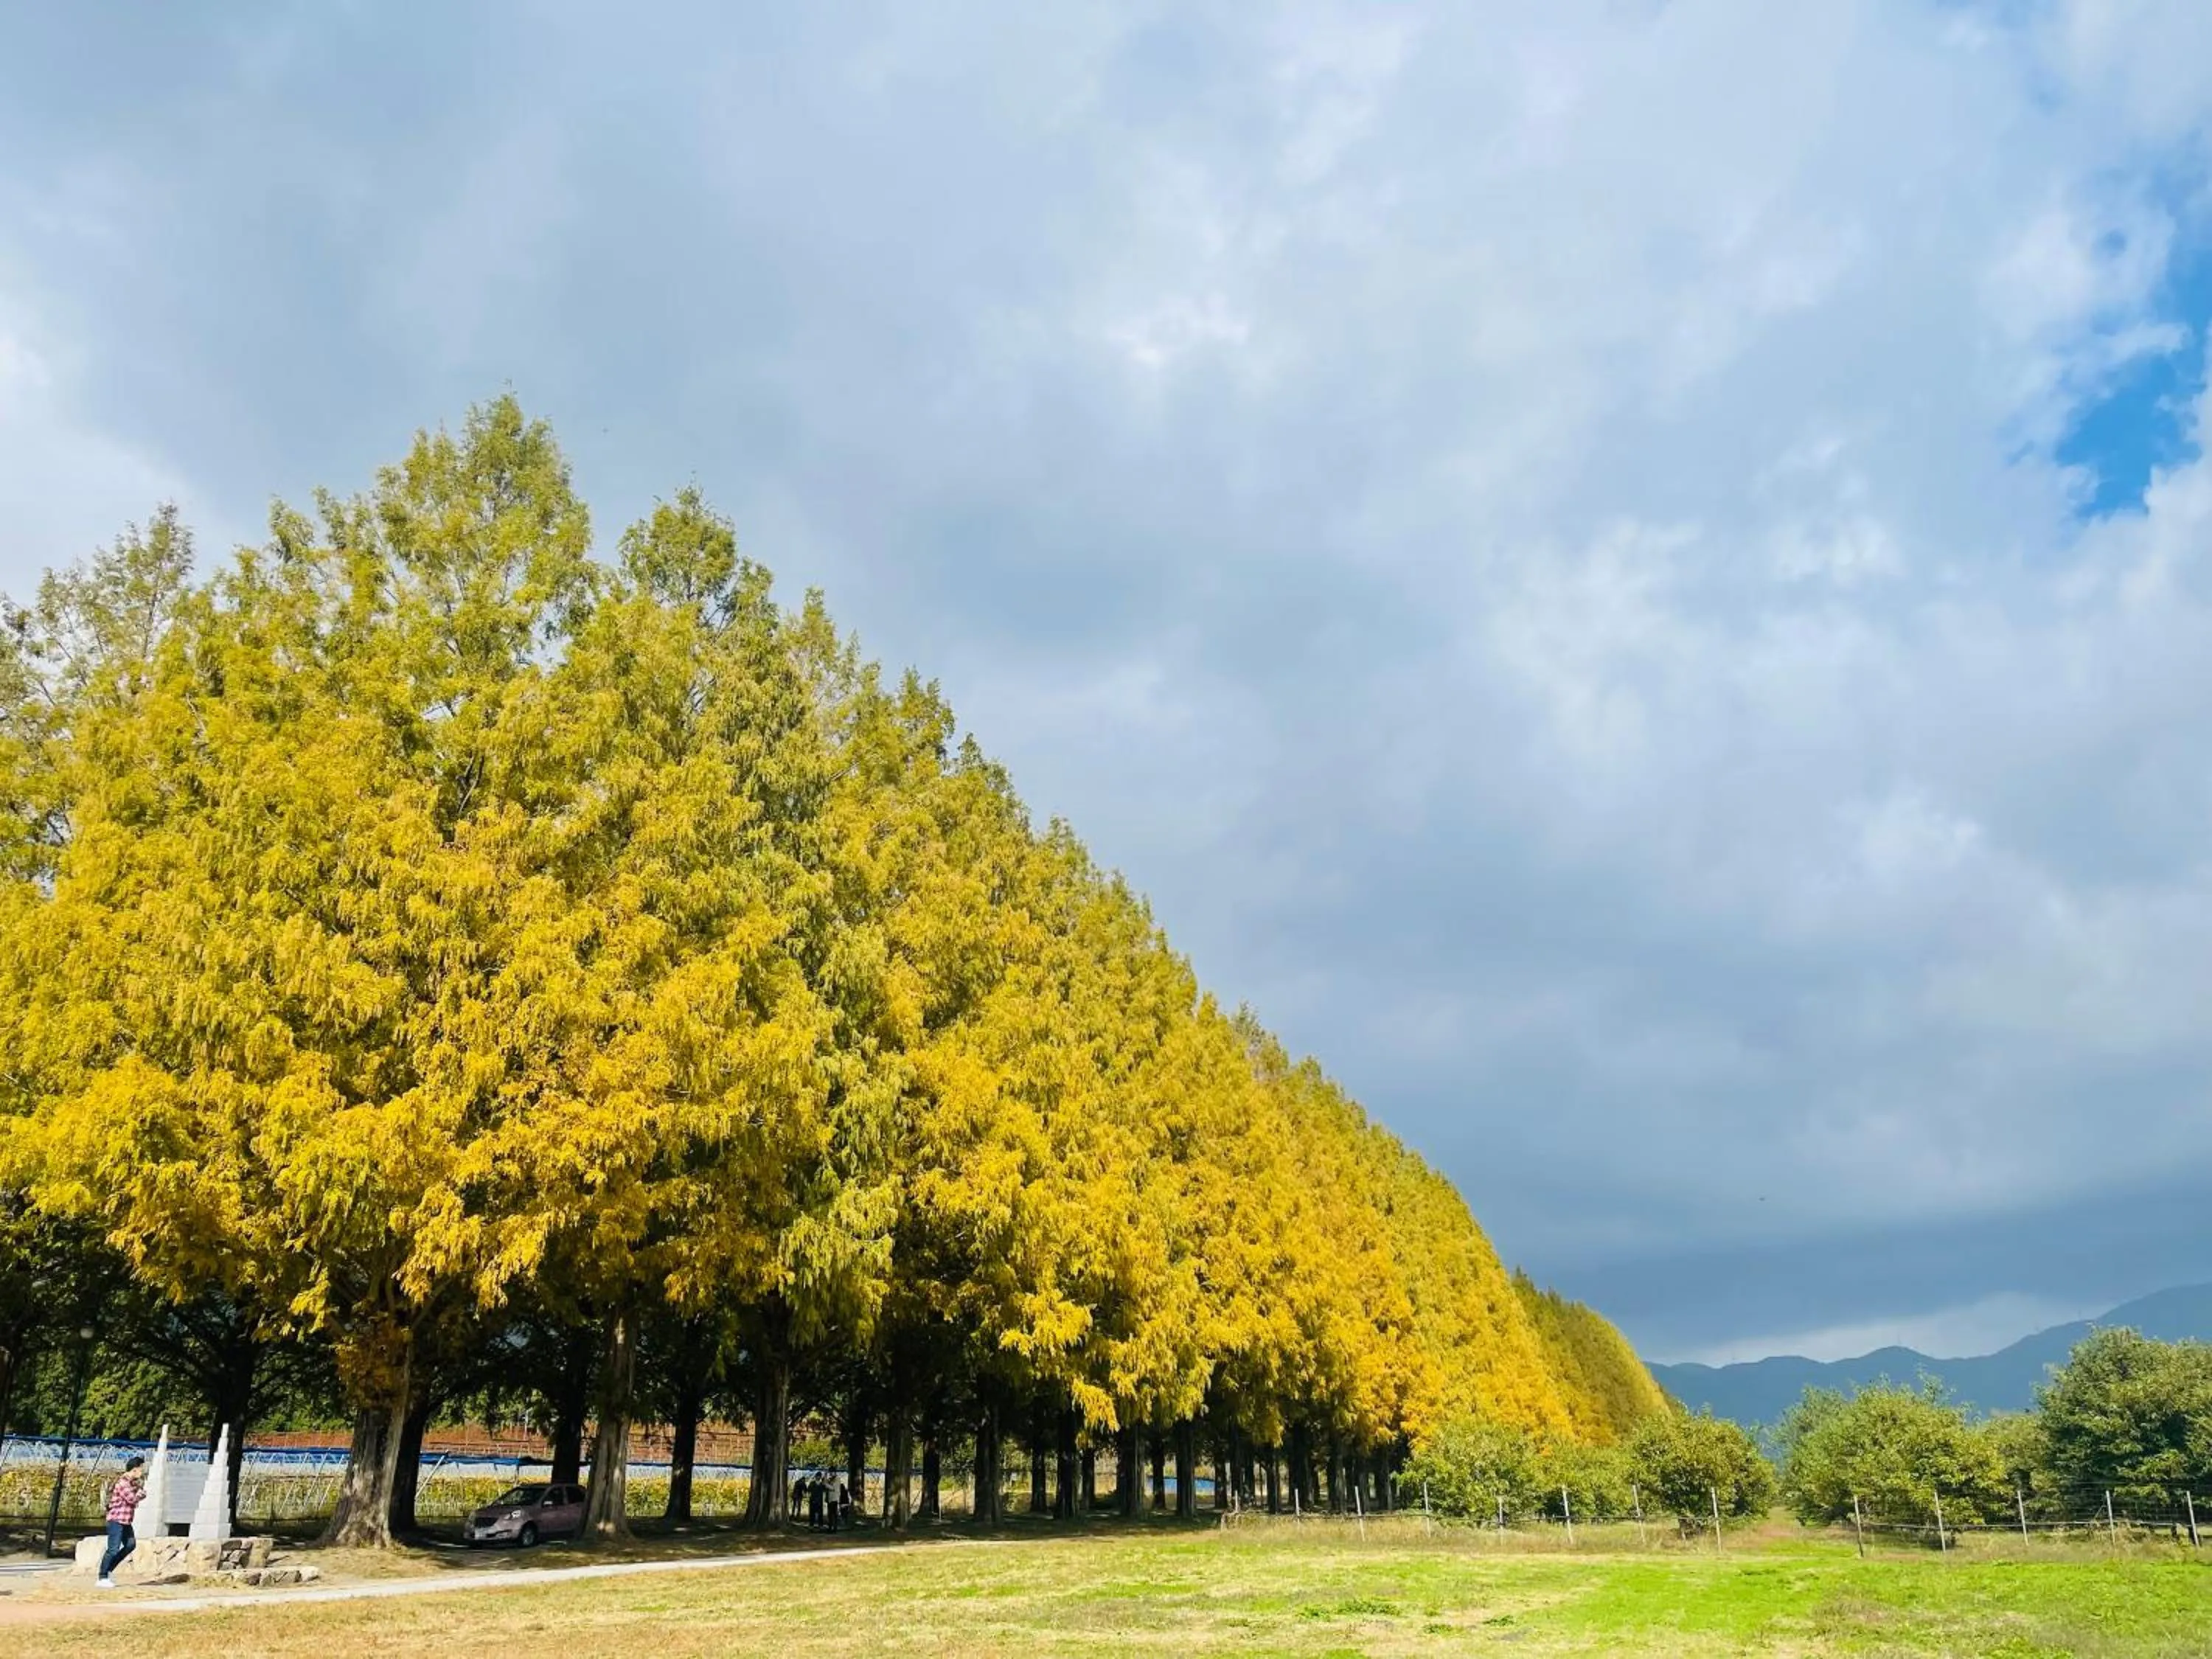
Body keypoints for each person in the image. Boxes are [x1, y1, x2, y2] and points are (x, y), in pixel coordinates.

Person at [97, 1455, 147, 1588]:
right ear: (134, 1469)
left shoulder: (132, 1483)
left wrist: (140, 1492)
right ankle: (102, 1576)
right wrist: (141, 1494)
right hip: (116, 1520)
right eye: (141, 1469)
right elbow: (132, 1499)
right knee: (113, 1549)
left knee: (130, 1544)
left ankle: (108, 1570)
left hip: (126, 1521)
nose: (142, 1472)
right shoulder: (123, 1483)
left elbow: (140, 1493)